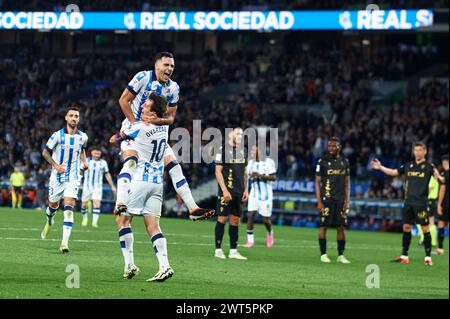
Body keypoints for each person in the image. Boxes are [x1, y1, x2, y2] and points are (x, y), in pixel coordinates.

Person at [112, 51, 213, 221]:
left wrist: (159, 121)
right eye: (166, 65)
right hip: (135, 134)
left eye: (172, 66)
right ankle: (120, 202)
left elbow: (172, 118)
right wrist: (136, 125)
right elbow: (123, 100)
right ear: (157, 65)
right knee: (131, 161)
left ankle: (193, 208)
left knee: (175, 167)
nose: (170, 68)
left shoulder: (173, 88)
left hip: (158, 135)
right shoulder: (143, 77)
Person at [111, 93, 174, 282]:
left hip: (140, 180)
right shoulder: (164, 128)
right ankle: (165, 266)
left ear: (152, 112)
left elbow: (114, 139)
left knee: (122, 221)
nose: (143, 105)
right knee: (153, 226)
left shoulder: (138, 127)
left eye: (146, 104)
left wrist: (121, 138)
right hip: (157, 183)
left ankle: (129, 264)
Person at [371, 142, 441, 266]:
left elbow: (439, 179)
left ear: (425, 152)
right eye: (416, 150)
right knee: (406, 228)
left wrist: (439, 176)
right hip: (408, 202)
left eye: (420, 150)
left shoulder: (429, 167)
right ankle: (404, 256)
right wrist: (381, 167)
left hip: (421, 203)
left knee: (425, 229)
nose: (418, 152)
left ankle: (428, 257)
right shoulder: (409, 165)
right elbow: (393, 172)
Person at [40, 106, 88, 253]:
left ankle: (64, 243)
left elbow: (81, 149)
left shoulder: (83, 137)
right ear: (66, 118)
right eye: (71, 116)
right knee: (53, 206)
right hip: (57, 177)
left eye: (76, 116)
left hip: (73, 177)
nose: (74, 118)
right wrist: (55, 165)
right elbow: (45, 153)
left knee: (69, 206)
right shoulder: (57, 136)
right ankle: (49, 220)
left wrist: (84, 162)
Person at [315, 137, 351, 264]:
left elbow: (347, 183)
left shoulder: (344, 162)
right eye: (329, 146)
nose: (330, 148)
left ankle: (340, 255)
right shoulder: (322, 161)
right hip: (327, 200)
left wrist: (347, 201)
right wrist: (319, 201)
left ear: (338, 147)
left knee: (340, 227)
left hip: (340, 200)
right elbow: (317, 182)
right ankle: (323, 254)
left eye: (333, 146)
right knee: (323, 226)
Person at [214, 128, 249, 260]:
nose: (240, 136)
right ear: (231, 135)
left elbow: (246, 173)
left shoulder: (243, 151)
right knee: (222, 218)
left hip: (239, 192)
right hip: (226, 191)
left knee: (235, 220)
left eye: (242, 134)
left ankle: (233, 251)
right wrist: (224, 190)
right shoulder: (222, 150)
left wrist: (246, 190)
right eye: (238, 134)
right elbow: (218, 172)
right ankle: (218, 250)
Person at [245, 145, 277, 248]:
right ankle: (250, 241)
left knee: (265, 220)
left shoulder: (269, 162)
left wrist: (260, 175)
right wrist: (251, 176)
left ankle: (270, 233)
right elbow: (247, 176)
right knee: (250, 215)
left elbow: (273, 177)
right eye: (252, 150)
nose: (253, 152)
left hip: (266, 196)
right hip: (254, 194)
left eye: (255, 150)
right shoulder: (251, 163)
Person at [80, 147, 117, 228]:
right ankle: (85, 218)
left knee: (97, 203)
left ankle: (94, 222)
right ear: (92, 153)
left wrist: (113, 186)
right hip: (87, 186)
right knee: (84, 205)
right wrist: (78, 182)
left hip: (97, 187)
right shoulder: (86, 161)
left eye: (98, 154)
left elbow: (107, 174)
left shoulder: (103, 163)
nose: (97, 155)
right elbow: (80, 172)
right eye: (95, 153)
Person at [436, 155, 449, 255]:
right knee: (441, 223)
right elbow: (442, 189)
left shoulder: (444, 174)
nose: (444, 165)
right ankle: (440, 248)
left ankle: (440, 248)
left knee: (442, 223)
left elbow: (443, 183)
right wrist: (439, 204)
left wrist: (437, 175)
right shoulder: (444, 173)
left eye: (445, 163)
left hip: (446, 203)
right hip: (445, 203)